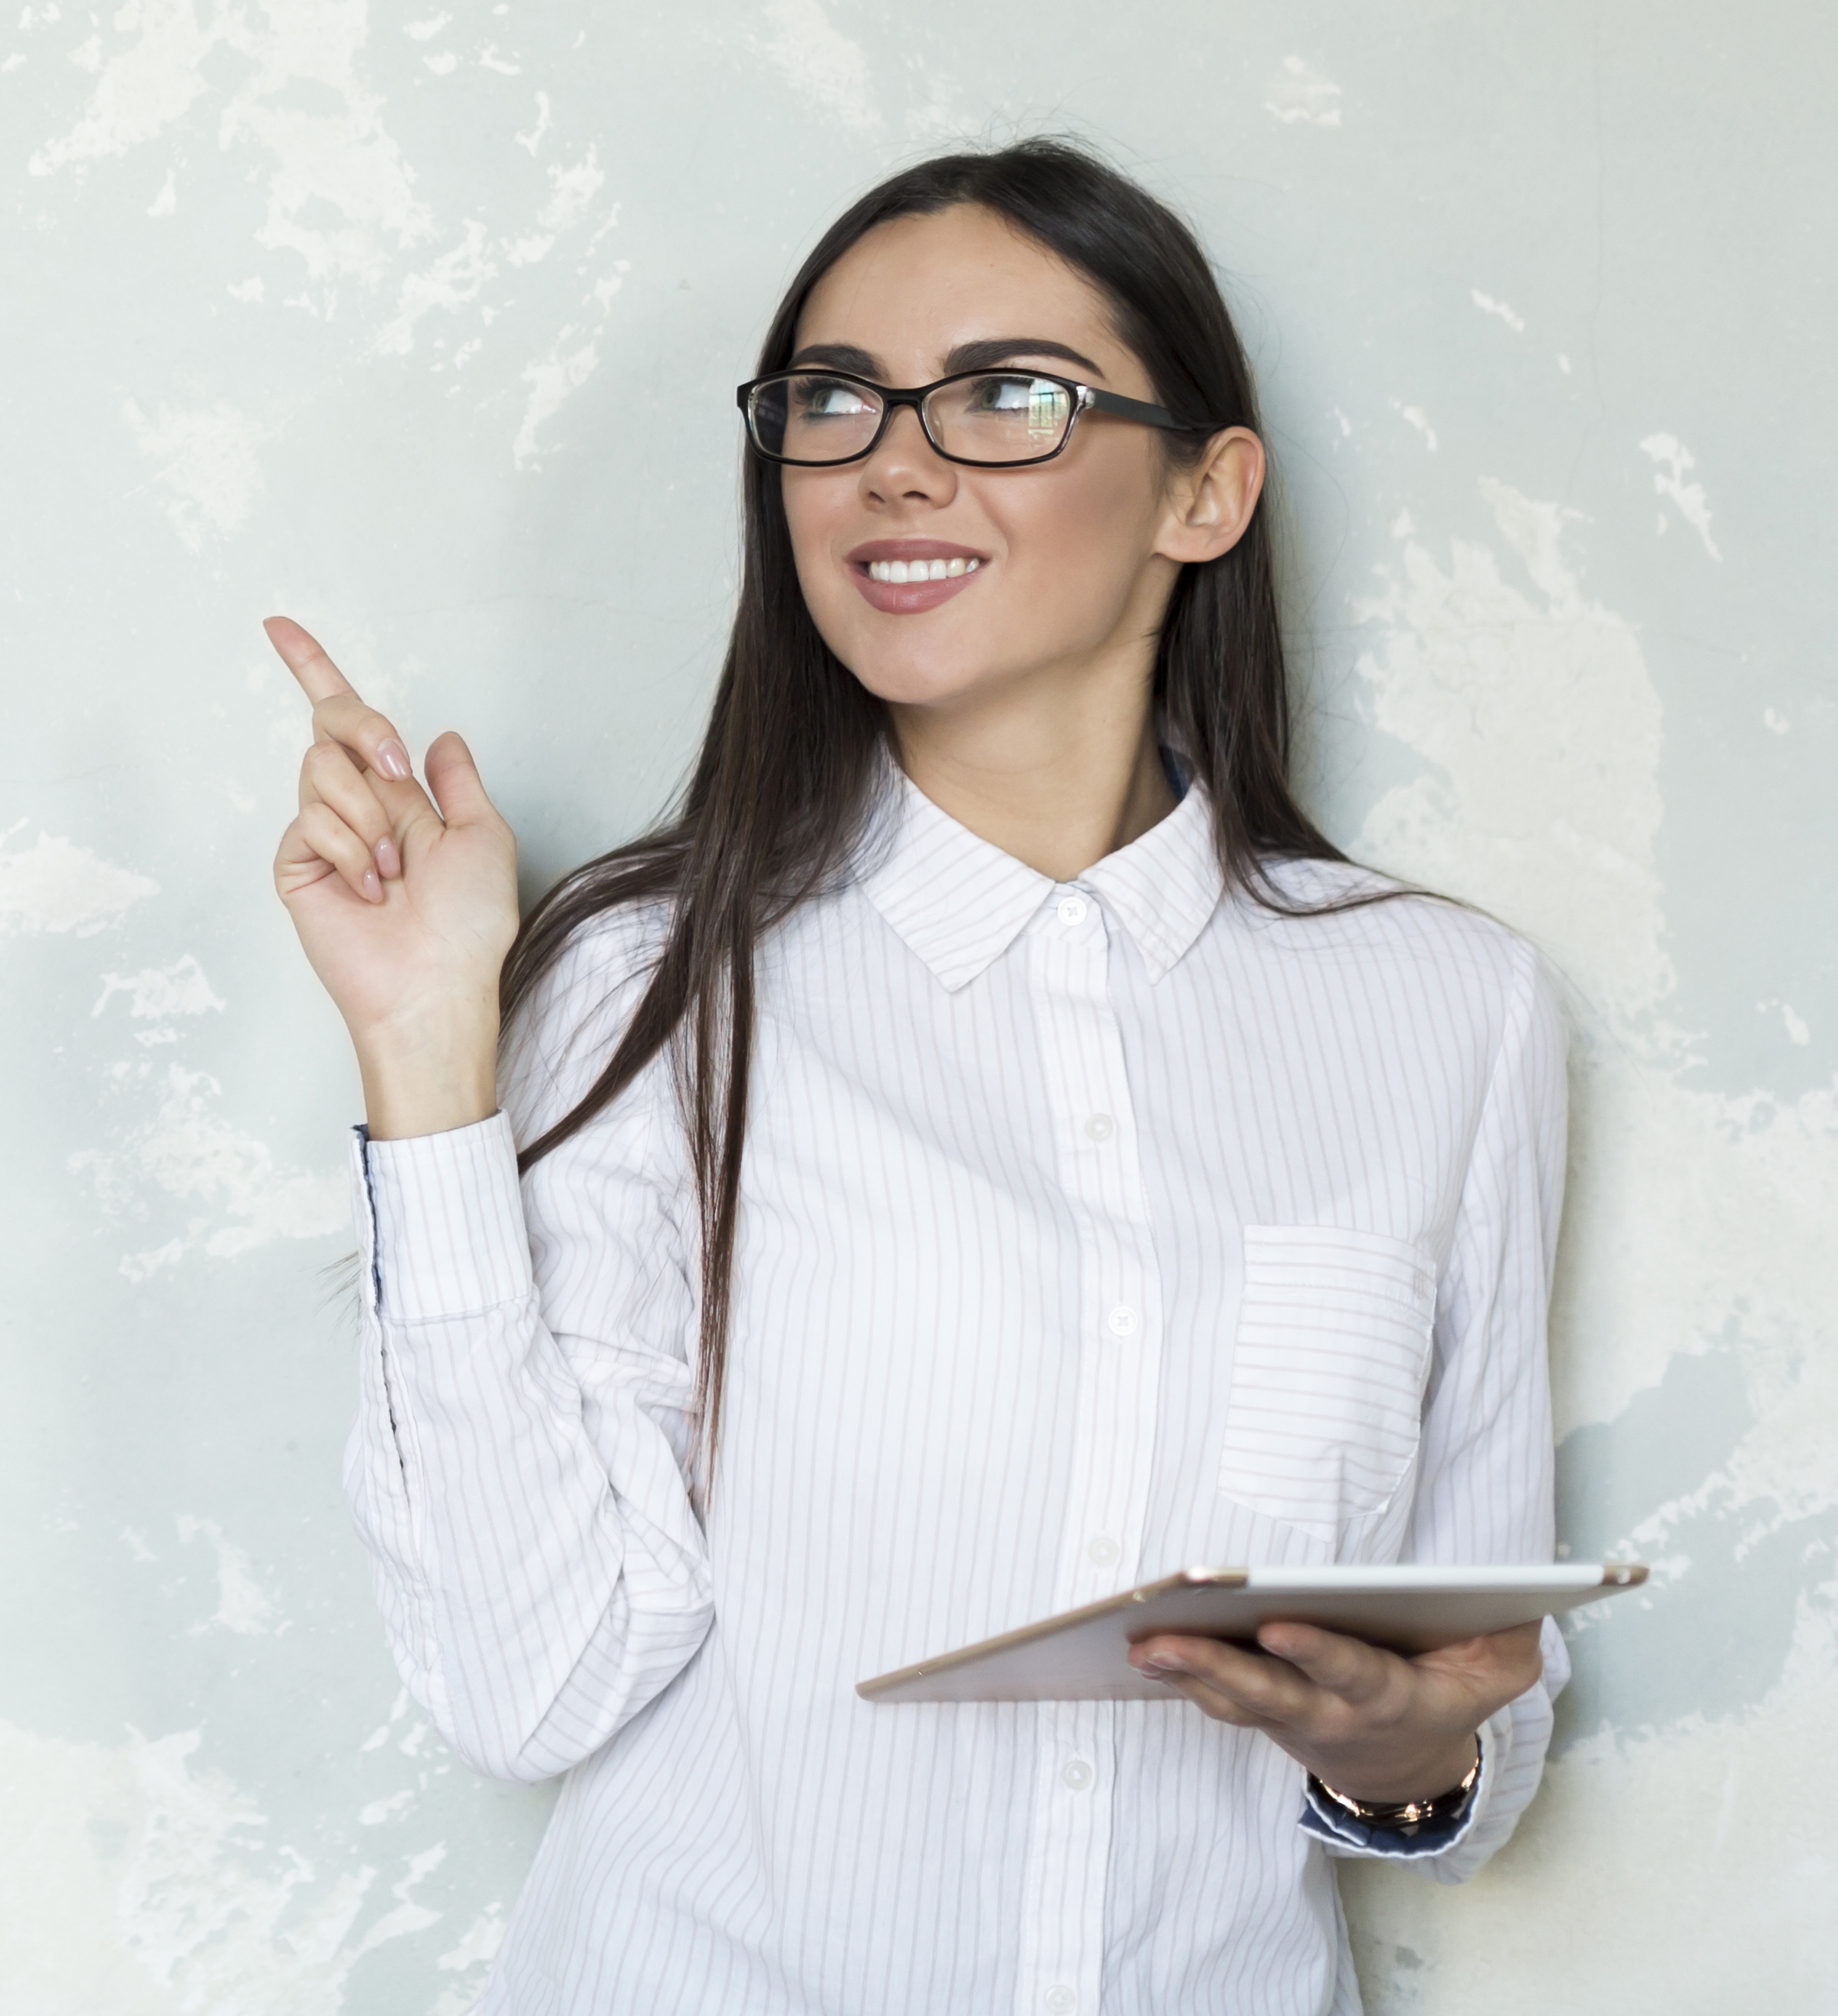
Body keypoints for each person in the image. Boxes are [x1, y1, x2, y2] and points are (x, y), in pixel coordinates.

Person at [265, 140, 1565, 2014]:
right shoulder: (650, 980)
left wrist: (1400, 1759)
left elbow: (1485, 1686)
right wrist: (423, 1051)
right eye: (834, 399)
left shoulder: (1451, 1008)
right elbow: (522, 1686)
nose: (894, 458)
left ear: (1206, 491)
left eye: (1007, 396)